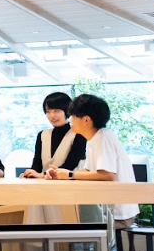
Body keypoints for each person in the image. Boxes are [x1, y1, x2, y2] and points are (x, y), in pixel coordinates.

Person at [44, 94, 138, 232]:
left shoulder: (103, 138)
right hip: (109, 210)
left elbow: (108, 175)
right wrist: (60, 174)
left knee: (65, 222)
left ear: (86, 120)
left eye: (73, 116)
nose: (70, 120)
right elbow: (89, 170)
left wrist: (70, 175)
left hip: (117, 214)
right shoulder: (96, 138)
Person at [20, 92, 88, 178]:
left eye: (56, 111)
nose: (52, 115)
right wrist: (30, 174)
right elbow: (37, 165)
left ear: (67, 111)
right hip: (45, 185)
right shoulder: (42, 135)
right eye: (48, 111)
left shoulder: (79, 134)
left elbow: (70, 164)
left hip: (71, 185)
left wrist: (41, 175)